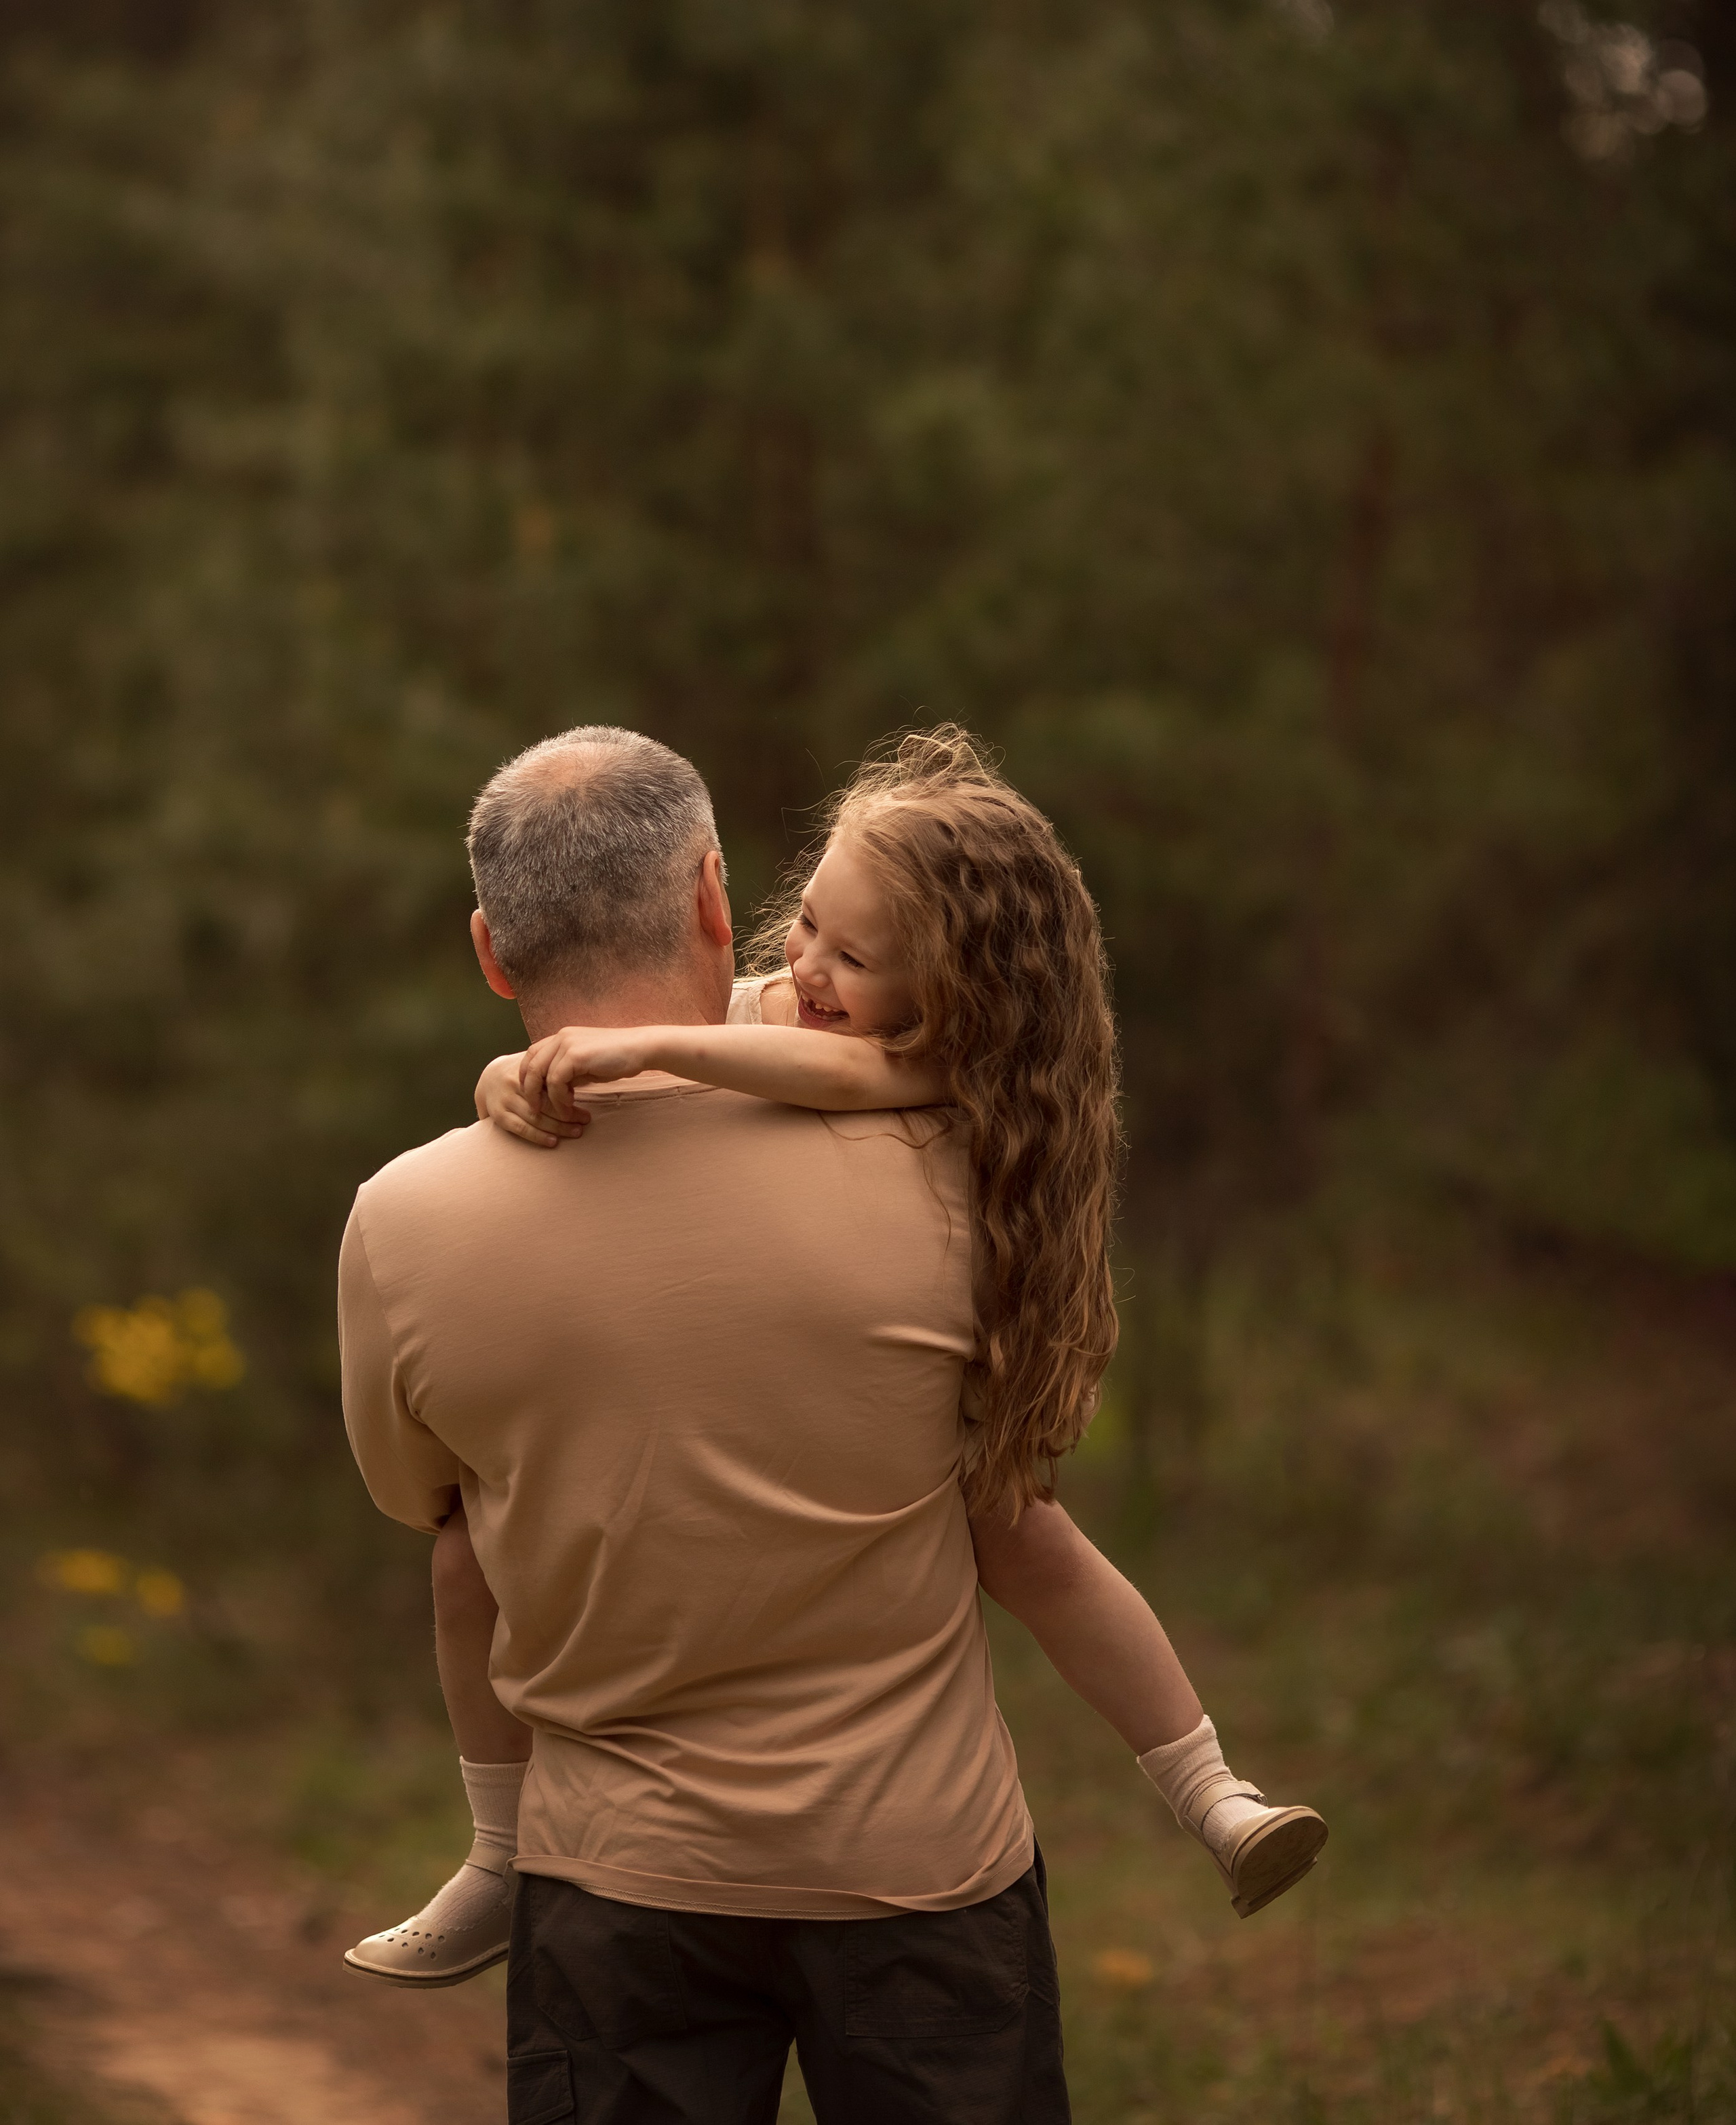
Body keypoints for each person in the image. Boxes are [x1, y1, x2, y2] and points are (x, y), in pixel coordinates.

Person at [342, 730, 1325, 2056]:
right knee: (1021, 1530)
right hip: (925, 1866)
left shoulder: (405, 1219)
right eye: (800, 927)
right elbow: (801, 1039)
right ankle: (1205, 1788)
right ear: (714, 892)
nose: (805, 967)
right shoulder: (889, 1105)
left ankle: (499, 1844)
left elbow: (422, 1501)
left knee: (468, 1544)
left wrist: (589, 1058)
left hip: (618, 1876)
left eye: (846, 955)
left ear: (488, 949)